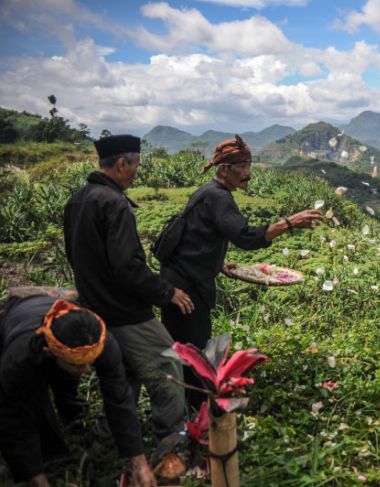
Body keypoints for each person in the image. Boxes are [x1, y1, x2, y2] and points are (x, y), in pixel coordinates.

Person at [159, 135, 323, 407]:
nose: (248, 173)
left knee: (189, 348)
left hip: (185, 279)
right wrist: (288, 223)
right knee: (192, 352)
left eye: (249, 165)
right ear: (224, 169)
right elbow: (246, 238)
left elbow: (195, 237)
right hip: (185, 288)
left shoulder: (207, 192)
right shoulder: (218, 197)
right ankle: (192, 412)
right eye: (242, 166)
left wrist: (218, 264)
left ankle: (189, 406)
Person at [63, 135, 193, 463]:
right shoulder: (114, 203)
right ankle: (172, 446)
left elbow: (73, 256)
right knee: (167, 365)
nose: (136, 172)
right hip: (126, 312)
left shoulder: (78, 200)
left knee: (122, 375)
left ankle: (107, 442)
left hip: (96, 308)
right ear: (122, 163)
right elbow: (128, 267)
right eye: (135, 164)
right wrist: (167, 292)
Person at [0, 295, 156, 487]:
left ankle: (70, 414)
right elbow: (14, 420)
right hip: (18, 318)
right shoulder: (18, 359)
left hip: (63, 331)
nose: (86, 370)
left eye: (89, 363)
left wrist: (138, 461)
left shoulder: (101, 341)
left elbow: (119, 399)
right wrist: (36, 479)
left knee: (67, 381)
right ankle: (50, 456)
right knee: (33, 404)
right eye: (78, 366)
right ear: (51, 352)